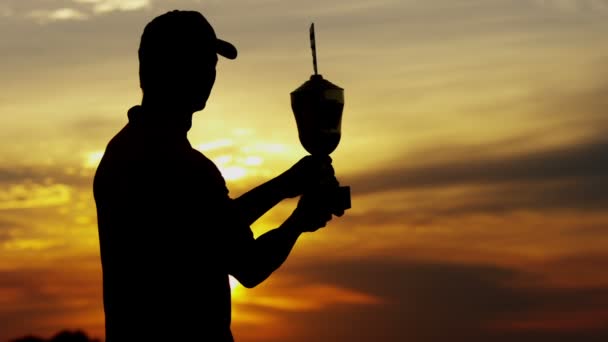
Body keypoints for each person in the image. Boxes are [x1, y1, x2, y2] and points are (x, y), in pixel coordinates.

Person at [93, 9, 343, 342]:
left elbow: (210, 226)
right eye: (199, 61)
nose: (210, 73)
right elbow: (248, 265)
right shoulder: (182, 166)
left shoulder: (122, 152)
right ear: (169, 68)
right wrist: (298, 219)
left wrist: (287, 188)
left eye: (211, 63)